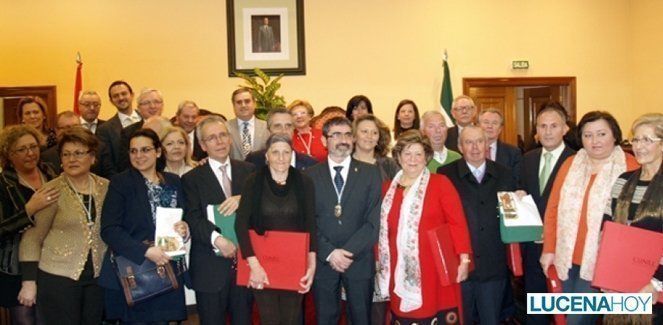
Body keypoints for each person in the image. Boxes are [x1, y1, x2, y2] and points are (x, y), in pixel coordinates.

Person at [540, 111, 639, 325]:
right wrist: (548, 248)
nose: (594, 141)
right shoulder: (571, 163)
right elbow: (553, 209)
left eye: (601, 134)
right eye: (588, 135)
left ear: (615, 135)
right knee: (563, 318)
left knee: (576, 321)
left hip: (603, 261)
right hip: (566, 258)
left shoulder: (631, 167)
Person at [376, 130, 471, 324]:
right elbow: (380, 231)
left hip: (434, 268)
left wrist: (464, 259)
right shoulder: (387, 188)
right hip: (397, 266)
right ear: (399, 157)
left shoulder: (440, 183)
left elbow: (457, 223)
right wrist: (378, 258)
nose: (413, 159)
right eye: (407, 153)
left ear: (426, 157)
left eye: (418, 154)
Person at [98, 128, 189, 323]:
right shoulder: (120, 183)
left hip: (168, 269)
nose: (139, 156)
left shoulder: (173, 181)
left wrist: (184, 229)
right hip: (136, 272)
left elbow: (183, 217)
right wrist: (145, 251)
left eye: (145, 149)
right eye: (133, 151)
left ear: (157, 152)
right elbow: (109, 230)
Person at [19, 127, 108, 324]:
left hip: (97, 278)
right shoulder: (50, 191)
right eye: (66, 154)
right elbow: (32, 238)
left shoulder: (106, 187)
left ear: (93, 157)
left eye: (78, 153)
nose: (71, 159)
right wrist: (29, 282)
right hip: (58, 277)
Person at [305, 117, 382, 324]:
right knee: (326, 318)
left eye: (348, 134)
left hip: (358, 259)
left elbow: (374, 220)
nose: (343, 140)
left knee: (361, 318)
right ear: (324, 141)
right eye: (336, 135)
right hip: (324, 260)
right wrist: (330, 253)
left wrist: (347, 252)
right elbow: (307, 221)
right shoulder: (309, 176)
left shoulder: (371, 173)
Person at [437, 125, 517, 324]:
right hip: (460, 265)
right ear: (459, 146)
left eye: (480, 141)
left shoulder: (505, 174)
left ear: (487, 144)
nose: (475, 147)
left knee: (491, 320)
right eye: (469, 142)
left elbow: (512, 216)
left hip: (494, 265)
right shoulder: (445, 174)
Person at [235, 133, 317, 324]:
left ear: (292, 155)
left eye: (286, 152)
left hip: (294, 263)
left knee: (291, 319)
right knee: (269, 318)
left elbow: (311, 224)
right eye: (275, 152)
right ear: (267, 156)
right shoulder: (253, 182)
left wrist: (311, 265)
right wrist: (254, 266)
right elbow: (241, 224)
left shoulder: (305, 182)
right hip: (260, 263)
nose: (281, 158)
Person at [181, 116, 255, 325]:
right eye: (212, 138)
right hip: (209, 267)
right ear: (203, 145)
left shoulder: (249, 171)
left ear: (230, 139)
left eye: (223, 135)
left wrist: (244, 199)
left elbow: (261, 209)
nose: (219, 141)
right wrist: (217, 239)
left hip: (245, 264)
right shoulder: (191, 179)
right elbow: (192, 217)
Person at [517, 104, 575, 325]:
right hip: (533, 246)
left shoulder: (577, 160)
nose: (548, 131)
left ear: (565, 129)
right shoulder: (528, 158)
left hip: (563, 247)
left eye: (554, 126)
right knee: (536, 304)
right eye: (543, 126)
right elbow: (522, 191)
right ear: (537, 131)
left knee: (565, 307)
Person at [604, 113, 662, 324]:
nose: (638, 146)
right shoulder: (623, 180)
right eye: (636, 139)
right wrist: (606, 274)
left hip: (657, 285)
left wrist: (656, 284)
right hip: (622, 279)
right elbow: (608, 228)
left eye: (647, 140)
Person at [0, 125, 58, 325]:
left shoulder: (50, 171)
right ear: (9, 153)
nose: (30, 153)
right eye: (22, 149)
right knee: (26, 320)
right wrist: (29, 210)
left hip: (52, 258)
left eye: (33, 146)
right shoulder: (2, 183)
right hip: (16, 265)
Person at [40, 111, 116, 179]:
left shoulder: (99, 149)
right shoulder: (47, 156)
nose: (70, 131)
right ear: (56, 130)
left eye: (75, 127)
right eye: (66, 127)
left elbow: (110, 176)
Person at [245, 108, 317, 170]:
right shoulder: (253, 161)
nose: (284, 131)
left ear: (293, 130)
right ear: (268, 131)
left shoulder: (310, 164)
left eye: (288, 126)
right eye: (277, 126)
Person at [116, 88, 166, 171]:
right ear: (138, 108)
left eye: (156, 102)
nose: (152, 106)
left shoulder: (174, 129)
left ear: (162, 105)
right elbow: (125, 165)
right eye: (146, 103)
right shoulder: (128, 132)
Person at [96, 80, 141, 168]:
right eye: (116, 96)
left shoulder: (147, 119)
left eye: (124, 94)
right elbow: (107, 163)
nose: (121, 98)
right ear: (111, 101)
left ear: (132, 95)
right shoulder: (104, 130)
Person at [478, 108, 522, 183]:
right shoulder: (470, 150)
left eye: (494, 123)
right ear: (478, 126)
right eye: (486, 122)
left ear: (500, 128)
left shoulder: (513, 153)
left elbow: (517, 181)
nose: (490, 126)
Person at [352, 114, 400, 181]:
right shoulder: (343, 162)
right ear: (354, 136)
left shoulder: (389, 165)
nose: (369, 136)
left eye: (374, 133)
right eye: (365, 131)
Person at [227, 88, 269, 160]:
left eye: (247, 101)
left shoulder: (267, 127)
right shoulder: (225, 128)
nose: (243, 105)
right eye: (239, 102)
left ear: (254, 104)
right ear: (233, 106)